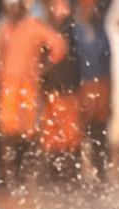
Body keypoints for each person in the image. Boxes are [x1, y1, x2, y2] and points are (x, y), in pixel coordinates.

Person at [0, 0, 68, 189]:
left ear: (22, 7)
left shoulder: (34, 26)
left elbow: (59, 45)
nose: (13, 10)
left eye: (16, 6)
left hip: (28, 89)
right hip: (8, 91)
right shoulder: (3, 30)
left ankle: (27, 180)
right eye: (9, 6)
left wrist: (45, 67)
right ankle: (9, 180)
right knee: (8, 135)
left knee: (29, 135)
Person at [42, 0, 84, 185]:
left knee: (71, 142)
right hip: (52, 94)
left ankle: (71, 181)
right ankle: (55, 181)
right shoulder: (46, 35)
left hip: (68, 94)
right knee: (52, 143)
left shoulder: (72, 35)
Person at [74, 0, 112, 181]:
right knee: (82, 130)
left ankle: (101, 171)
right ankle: (79, 171)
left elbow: (109, 61)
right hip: (83, 86)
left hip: (101, 85)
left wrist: (109, 92)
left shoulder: (102, 31)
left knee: (100, 131)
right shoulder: (77, 32)